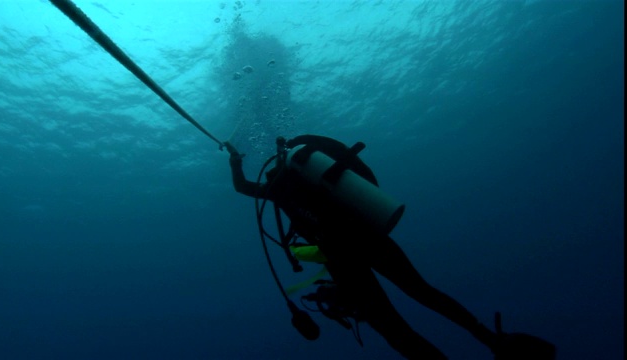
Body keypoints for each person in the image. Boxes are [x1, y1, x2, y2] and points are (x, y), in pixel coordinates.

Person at [224, 135, 556, 360]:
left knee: (393, 329)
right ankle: (491, 338)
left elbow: (241, 187)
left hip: (341, 258)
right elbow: (353, 167)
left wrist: (235, 161)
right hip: (369, 238)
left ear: (274, 173)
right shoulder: (313, 175)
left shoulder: (276, 190)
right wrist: (306, 142)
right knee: (423, 292)